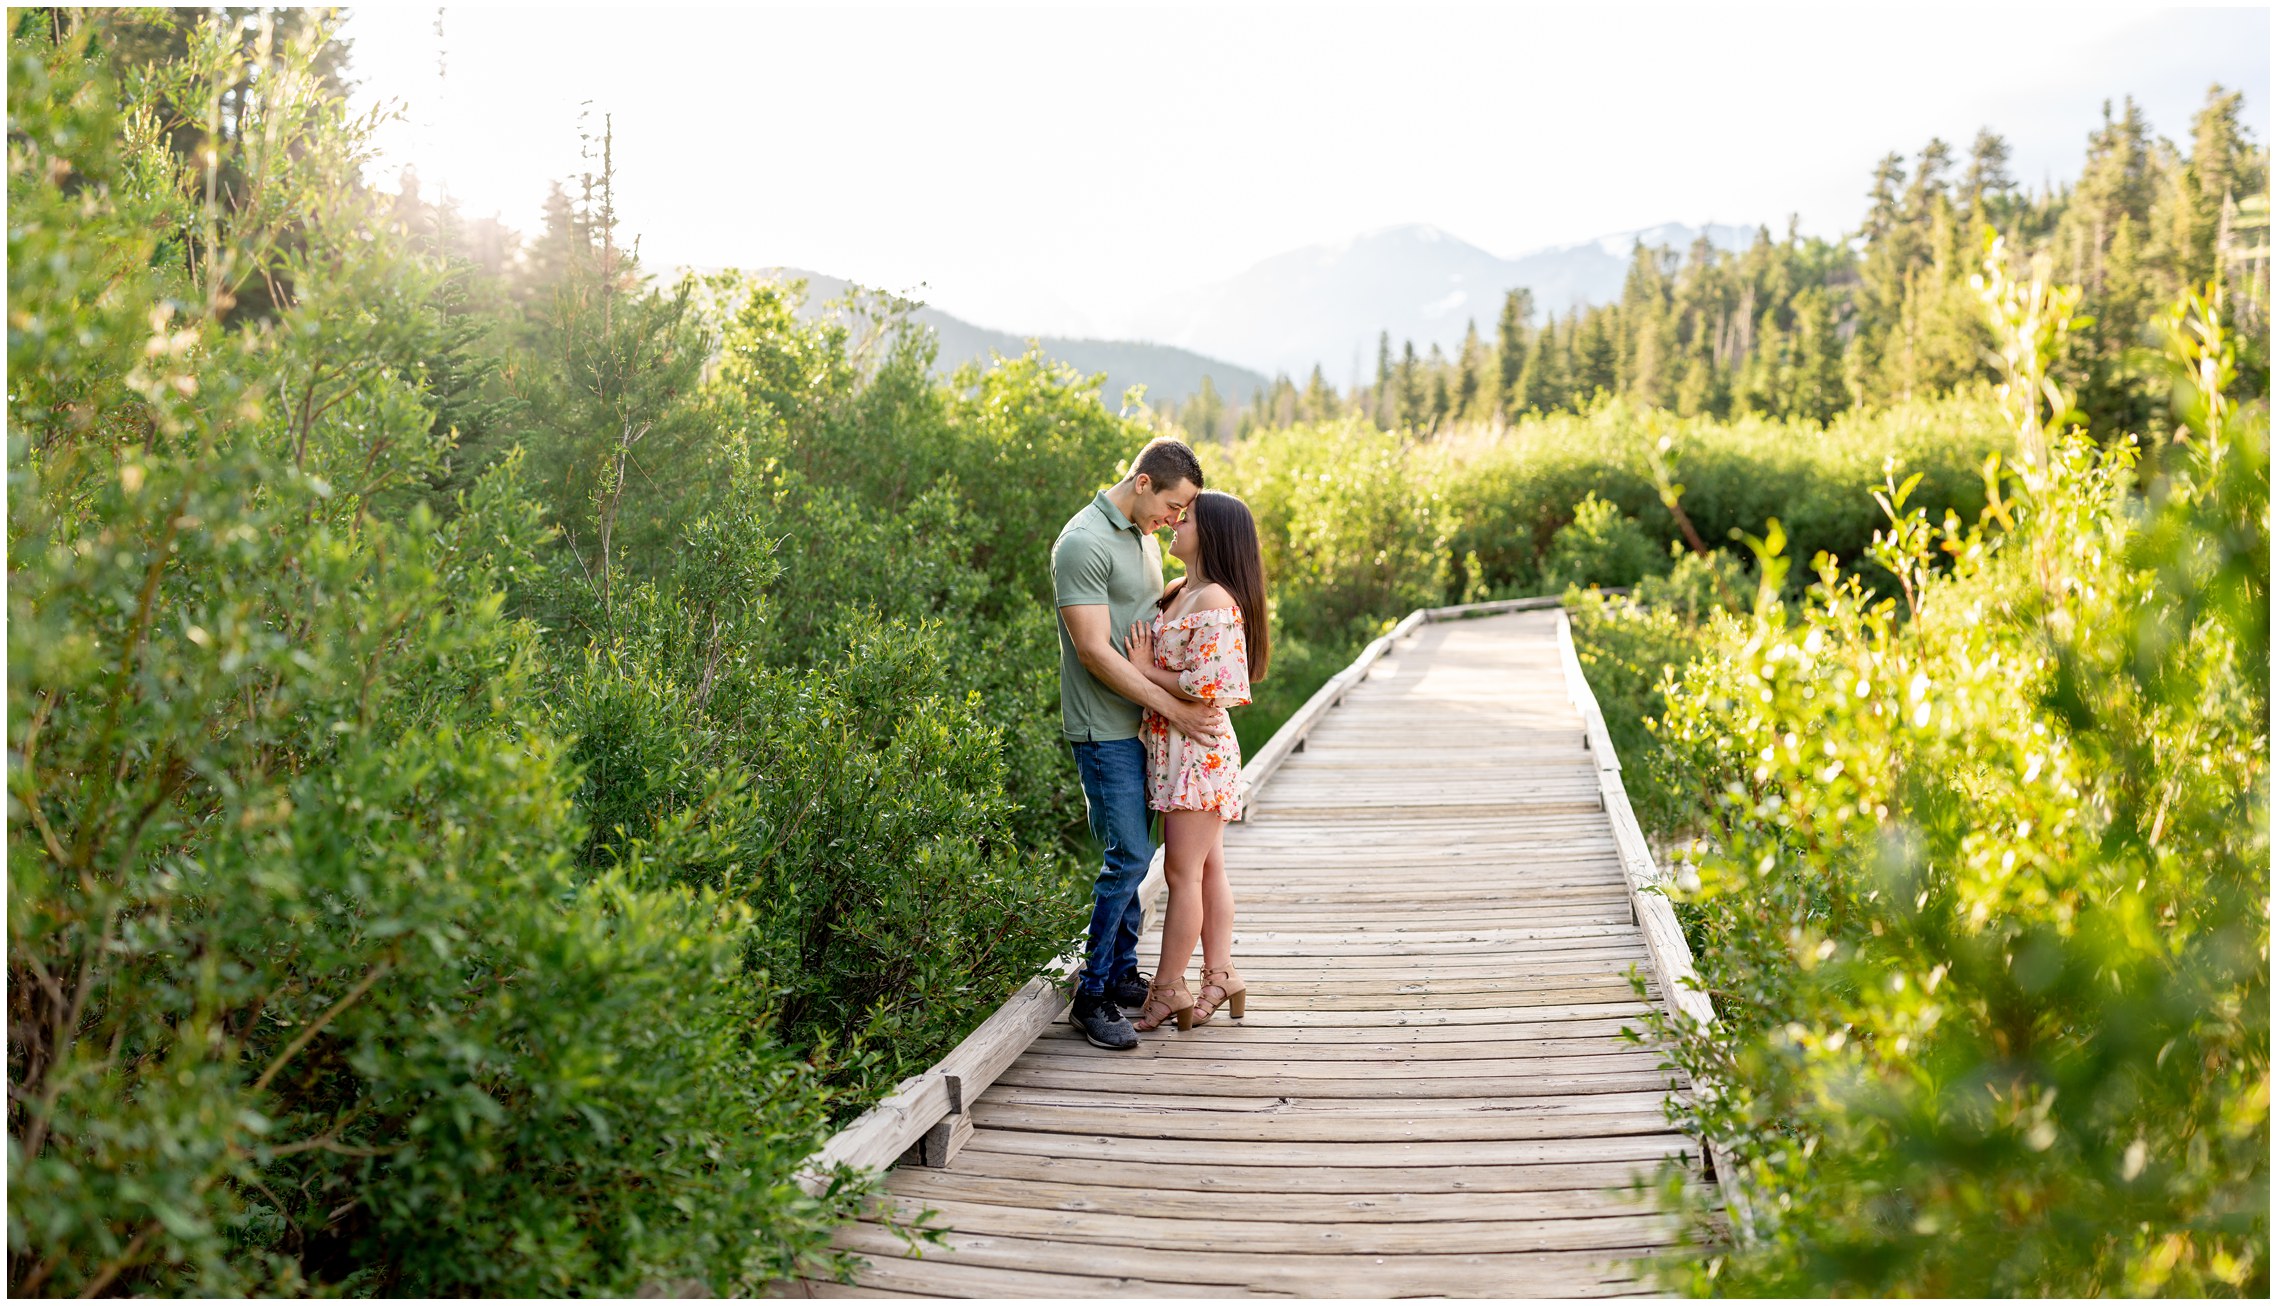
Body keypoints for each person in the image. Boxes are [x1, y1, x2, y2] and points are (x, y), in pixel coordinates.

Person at [1052, 437, 1226, 1050]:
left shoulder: (1144, 537)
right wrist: (1176, 708)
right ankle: (1091, 994)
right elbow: (1095, 652)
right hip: (1105, 726)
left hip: (1146, 728)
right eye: (1174, 506)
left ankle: (1122, 971)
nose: (1177, 521)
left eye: (1185, 514)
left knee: (1137, 853)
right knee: (1127, 856)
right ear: (1145, 482)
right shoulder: (1083, 542)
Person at [1121, 489, 1269, 1032]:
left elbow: (1214, 685)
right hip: (1174, 745)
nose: (1175, 523)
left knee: (1181, 873)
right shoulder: (1181, 590)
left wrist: (1141, 670)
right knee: (1207, 868)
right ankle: (1221, 973)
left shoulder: (1216, 602)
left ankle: (1167, 989)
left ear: (1213, 534)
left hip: (1198, 753)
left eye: (1188, 518)